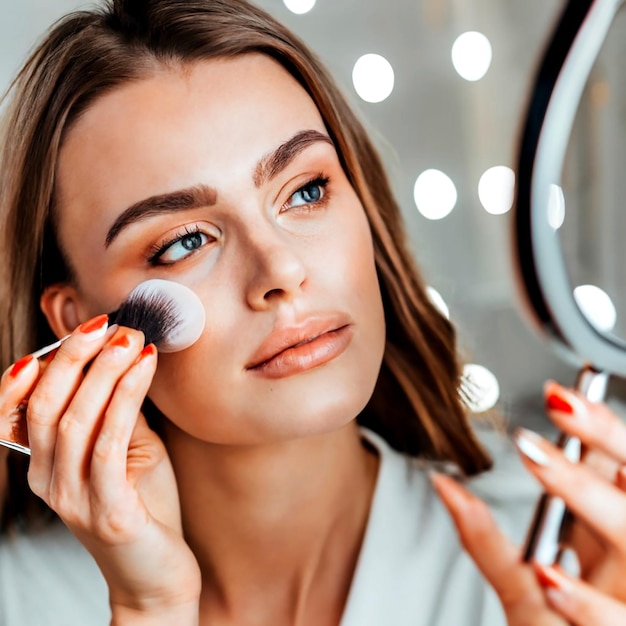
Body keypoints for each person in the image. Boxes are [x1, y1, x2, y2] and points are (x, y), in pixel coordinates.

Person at [1, 1, 626, 624]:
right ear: (76, 321)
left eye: (306, 191)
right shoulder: (19, 599)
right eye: (185, 242)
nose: (280, 272)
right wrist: (149, 608)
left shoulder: (565, 565)